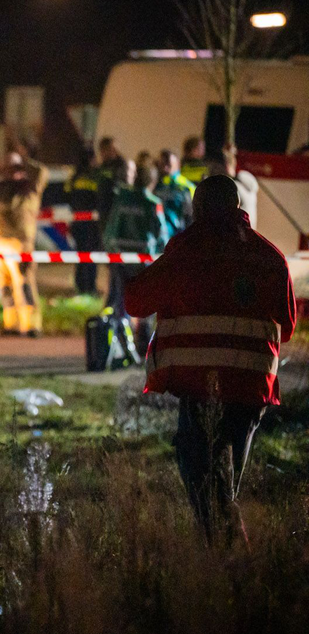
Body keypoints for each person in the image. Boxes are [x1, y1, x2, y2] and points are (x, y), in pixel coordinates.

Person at [124, 174, 296, 543]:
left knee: (202, 476)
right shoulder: (269, 256)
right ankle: (228, 554)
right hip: (251, 388)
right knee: (225, 481)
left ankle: (225, 552)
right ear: (237, 207)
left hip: (200, 385)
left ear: (199, 208)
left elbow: (135, 301)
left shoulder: (186, 251)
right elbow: (288, 325)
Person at [0, 150, 48, 336]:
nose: (9, 171)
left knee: (23, 283)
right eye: (6, 167)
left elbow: (42, 172)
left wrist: (23, 159)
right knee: (4, 286)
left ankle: (31, 325)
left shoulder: (29, 189)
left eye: (13, 167)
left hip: (20, 243)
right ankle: (12, 324)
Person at [103, 159, 169, 329]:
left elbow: (111, 229)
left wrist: (111, 250)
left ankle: (122, 333)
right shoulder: (153, 203)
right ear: (152, 181)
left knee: (122, 298)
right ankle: (143, 334)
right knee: (146, 300)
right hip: (144, 260)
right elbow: (162, 235)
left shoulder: (121, 200)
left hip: (121, 258)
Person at [64, 147, 102, 295]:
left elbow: (67, 196)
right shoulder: (95, 176)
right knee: (91, 256)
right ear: (91, 160)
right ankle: (90, 287)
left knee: (80, 256)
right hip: (92, 224)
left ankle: (80, 286)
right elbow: (100, 198)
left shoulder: (74, 177)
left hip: (77, 223)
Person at [154, 149, 195, 237]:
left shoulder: (187, 187)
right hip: (159, 235)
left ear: (178, 164)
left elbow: (192, 215)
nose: (165, 168)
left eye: (169, 165)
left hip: (178, 236)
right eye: (162, 165)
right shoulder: (156, 185)